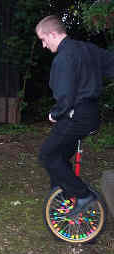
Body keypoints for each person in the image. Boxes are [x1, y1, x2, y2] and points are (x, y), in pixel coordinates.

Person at [35, 15, 114, 216]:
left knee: (47, 155)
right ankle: (62, 194)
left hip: (76, 116)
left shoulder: (64, 58)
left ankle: (83, 196)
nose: (44, 45)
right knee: (59, 155)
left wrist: (55, 114)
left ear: (53, 34)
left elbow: (65, 96)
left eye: (43, 40)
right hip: (91, 115)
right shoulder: (87, 49)